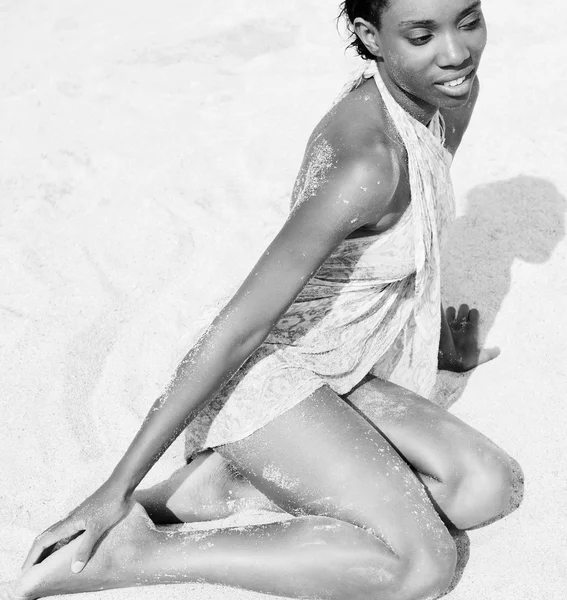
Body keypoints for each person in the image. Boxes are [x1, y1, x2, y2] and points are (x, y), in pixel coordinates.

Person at [1, 1, 518, 599]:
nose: (455, 52)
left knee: (487, 487)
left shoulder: (447, 95)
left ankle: (229, 486)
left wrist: (429, 338)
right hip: (270, 376)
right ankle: (140, 550)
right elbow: (238, 330)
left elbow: (416, 219)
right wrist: (114, 489)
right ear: (370, 37)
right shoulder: (365, 163)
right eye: (422, 35)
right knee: (420, 566)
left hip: (343, 361)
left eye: (469, 20)